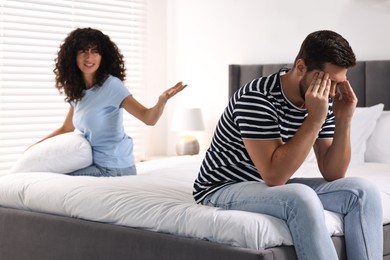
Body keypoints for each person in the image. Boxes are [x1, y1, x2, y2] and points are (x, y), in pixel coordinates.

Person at [193, 30, 383, 259]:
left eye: (338, 83)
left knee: (364, 192)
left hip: (265, 185)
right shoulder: (257, 97)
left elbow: (333, 172)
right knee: (300, 197)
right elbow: (274, 176)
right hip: (223, 186)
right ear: (301, 67)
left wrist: (344, 119)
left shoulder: (324, 100)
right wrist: (315, 118)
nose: (332, 92)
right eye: (328, 81)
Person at [30, 27, 186, 177]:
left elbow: (148, 118)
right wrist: (33, 149)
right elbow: (66, 128)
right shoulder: (77, 91)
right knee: (45, 173)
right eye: (83, 51)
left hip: (114, 168)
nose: (89, 57)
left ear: (103, 56)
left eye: (95, 51)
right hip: (95, 164)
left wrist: (162, 101)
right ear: (73, 57)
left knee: (52, 178)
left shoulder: (111, 85)